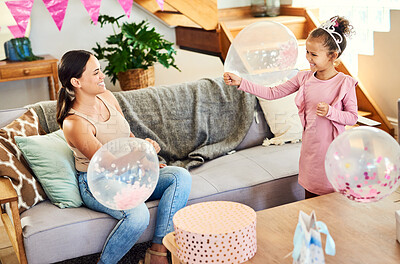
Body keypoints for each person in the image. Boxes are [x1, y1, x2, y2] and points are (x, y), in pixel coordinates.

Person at [56, 50, 192, 264]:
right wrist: (144, 152)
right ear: (76, 82)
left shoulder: (107, 97)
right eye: (96, 73)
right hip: (99, 182)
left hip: (130, 173)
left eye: (100, 70)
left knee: (179, 176)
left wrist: (148, 159)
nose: (103, 76)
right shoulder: (75, 123)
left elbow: (127, 137)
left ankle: (157, 251)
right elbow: (109, 163)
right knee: (138, 216)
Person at [224, 16, 358, 199]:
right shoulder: (304, 78)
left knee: (333, 201)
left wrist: (331, 112)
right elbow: (272, 93)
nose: (309, 58)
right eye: (307, 52)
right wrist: (242, 82)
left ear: (333, 56)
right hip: (311, 152)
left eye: (314, 54)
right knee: (310, 198)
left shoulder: (345, 83)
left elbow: (352, 117)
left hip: (334, 153)